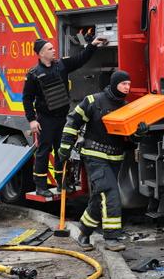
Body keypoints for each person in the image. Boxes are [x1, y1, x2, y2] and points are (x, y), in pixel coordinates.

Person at [58, 70, 147, 252]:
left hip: (115, 158)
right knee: (110, 194)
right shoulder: (93, 101)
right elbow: (73, 122)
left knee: (99, 199)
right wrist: (65, 147)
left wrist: (139, 133)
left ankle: (84, 231)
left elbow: (131, 138)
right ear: (115, 84)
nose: (127, 88)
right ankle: (111, 238)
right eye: (124, 84)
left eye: (129, 84)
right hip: (94, 156)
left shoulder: (126, 107)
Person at [22, 36, 107, 197]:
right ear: (41, 53)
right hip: (45, 119)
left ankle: (62, 183)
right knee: (43, 151)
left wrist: (93, 45)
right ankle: (40, 186)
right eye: (49, 49)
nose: (54, 50)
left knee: (62, 150)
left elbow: (80, 59)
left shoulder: (61, 65)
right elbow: (27, 98)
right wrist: (32, 120)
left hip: (62, 118)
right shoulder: (33, 74)